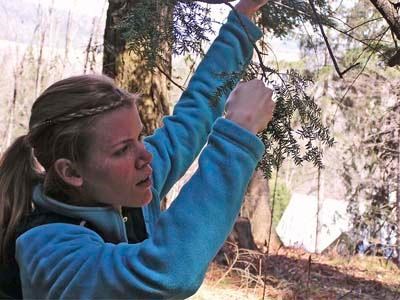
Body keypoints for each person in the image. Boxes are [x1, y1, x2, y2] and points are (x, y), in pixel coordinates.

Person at [0, 0, 275, 298]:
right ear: (71, 172)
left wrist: (242, 17)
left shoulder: (126, 191)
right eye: (122, 150)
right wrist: (237, 136)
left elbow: (193, 117)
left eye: (139, 138)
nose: (145, 156)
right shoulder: (49, 253)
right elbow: (168, 270)